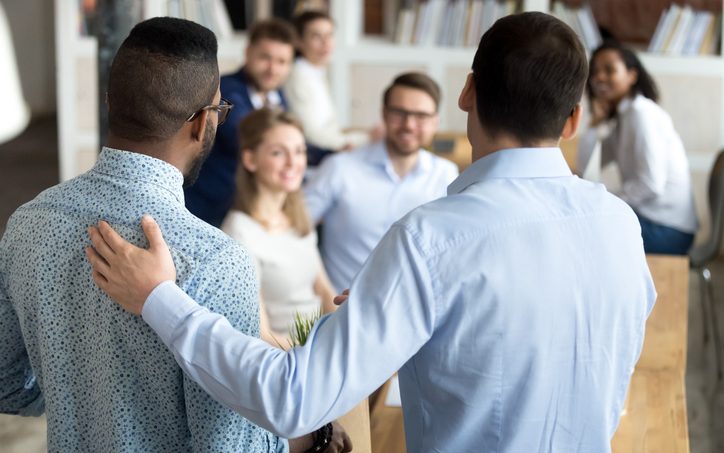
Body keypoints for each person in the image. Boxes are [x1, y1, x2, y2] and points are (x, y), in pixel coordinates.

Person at [86, 12, 656, 452]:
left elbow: (293, 399)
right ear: (574, 118)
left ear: (465, 93)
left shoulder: (434, 239)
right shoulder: (622, 226)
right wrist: (418, 312)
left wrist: (159, 299)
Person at [0, 17, 347, 453]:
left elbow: (9, 386)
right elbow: (230, 447)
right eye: (220, 111)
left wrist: (82, 398)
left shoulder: (27, 222)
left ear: (111, 102)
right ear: (202, 123)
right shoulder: (216, 261)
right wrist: (317, 436)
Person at [304, 71, 458, 293]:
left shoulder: (447, 176)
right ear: (384, 114)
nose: (409, 124)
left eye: (421, 116)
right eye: (400, 113)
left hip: (419, 314)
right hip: (343, 311)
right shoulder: (340, 168)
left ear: (436, 122)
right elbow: (293, 231)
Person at [221, 108, 336, 345]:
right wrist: (319, 356)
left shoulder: (298, 217)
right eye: (278, 153)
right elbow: (261, 334)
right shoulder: (239, 233)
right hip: (287, 361)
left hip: (320, 346)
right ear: (250, 159)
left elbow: (324, 291)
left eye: (299, 151)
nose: (293, 163)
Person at [577, 40, 698, 255]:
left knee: (586, 231)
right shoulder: (625, 118)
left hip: (668, 230)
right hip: (652, 220)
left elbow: (651, 184)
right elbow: (586, 167)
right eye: (595, 71)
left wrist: (607, 200)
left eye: (609, 70)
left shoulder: (642, 115)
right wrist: (596, 120)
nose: (599, 78)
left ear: (632, 76)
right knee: (585, 225)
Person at [185, 19, 296, 227]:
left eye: (282, 62)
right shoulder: (225, 90)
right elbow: (252, 138)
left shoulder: (277, 95)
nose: (273, 69)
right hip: (209, 211)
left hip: (247, 209)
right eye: (265, 58)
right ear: (248, 53)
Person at [284, 10, 380, 165]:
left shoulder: (315, 71)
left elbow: (330, 128)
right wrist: (368, 138)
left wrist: (367, 133)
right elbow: (313, 136)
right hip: (315, 158)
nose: (326, 43)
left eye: (329, 35)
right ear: (299, 41)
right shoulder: (299, 77)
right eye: (316, 36)